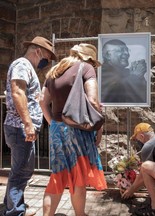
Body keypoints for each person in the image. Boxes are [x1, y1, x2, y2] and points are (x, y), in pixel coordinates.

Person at [39, 43, 107, 216]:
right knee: (79, 175)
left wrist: (53, 123)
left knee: (57, 174)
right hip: (78, 129)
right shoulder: (86, 68)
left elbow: (42, 101)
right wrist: (98, 128)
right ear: (89, 58)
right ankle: (79, 214)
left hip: (57, 129)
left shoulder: (53, 72)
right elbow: (92, 101)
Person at [4, 36, 56, 216]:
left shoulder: (26, 67)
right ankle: (15, 212)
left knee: (19, 169)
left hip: (20, 128)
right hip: (20, 128)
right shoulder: (22, 65)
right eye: (47, 59)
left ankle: (11, 206)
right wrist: (27, 124)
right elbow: (18, 92)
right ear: (38, 51)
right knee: (22, 171)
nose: (46, 63)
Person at [101, 39, 147, 104]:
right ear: (108, 55)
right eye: (121, 50)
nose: (127, 53)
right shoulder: (103, 72)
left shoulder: (127, 72)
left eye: (127, 50)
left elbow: (143, 96)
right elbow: (111, 94)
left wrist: (140, 76)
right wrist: (134, 77)